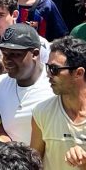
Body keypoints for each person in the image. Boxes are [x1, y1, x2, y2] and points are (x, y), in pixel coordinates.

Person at [0, 23, 54, 144]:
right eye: (5, 53)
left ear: (35, 54)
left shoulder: (54, 86)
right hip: (15, 161)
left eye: (15, 54)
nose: (7, 60)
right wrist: (4, 138)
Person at [31, 36, 86, 169]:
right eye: (48, 68)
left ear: (78, 73)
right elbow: (33, 162)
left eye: (55, 69)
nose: (48, 75)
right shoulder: (42, 112)